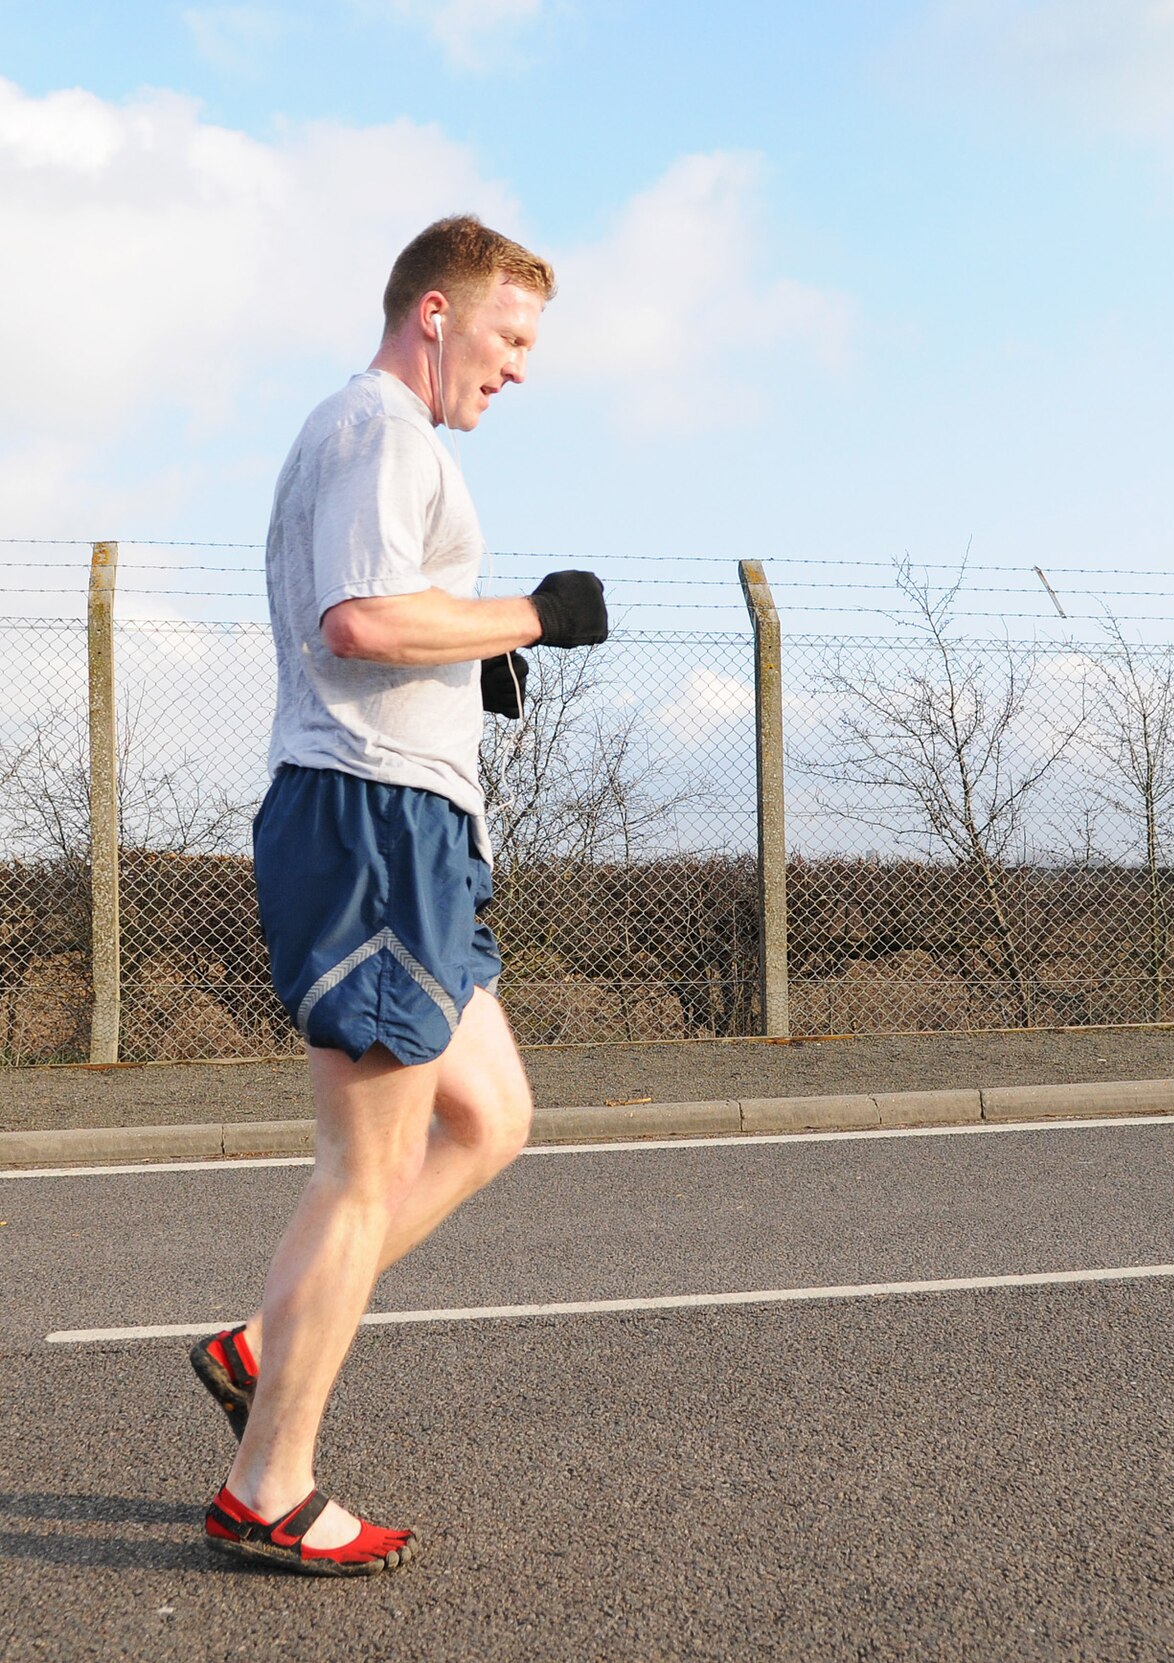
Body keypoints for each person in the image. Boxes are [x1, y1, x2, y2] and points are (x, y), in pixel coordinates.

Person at [190, 215, 607, 1576]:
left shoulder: (381, 437)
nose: (522, 368)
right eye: (512, 336)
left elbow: (384, 623)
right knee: (362, 1174)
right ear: (437, 313)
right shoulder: (382, 427)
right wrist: (530, 616)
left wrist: (466, 656)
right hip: (372, 823)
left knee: (491, 1117)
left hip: (406, 820)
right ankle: (270, 1482)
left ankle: (270, 1342)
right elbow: (359, 619)